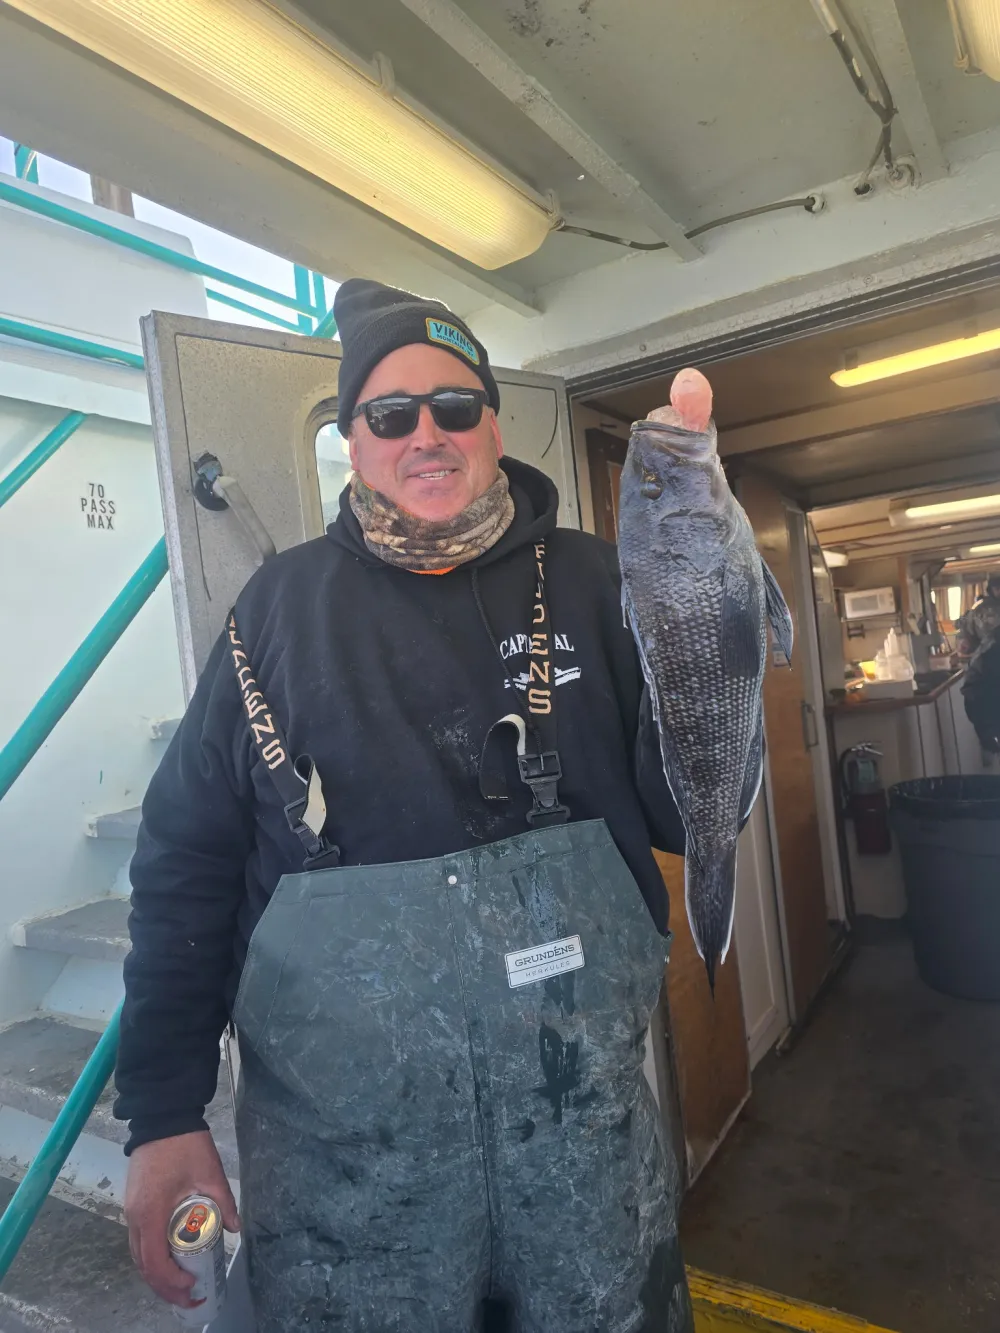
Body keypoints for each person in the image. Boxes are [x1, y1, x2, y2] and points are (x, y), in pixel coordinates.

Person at [115, 279, 693, 1332]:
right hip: (348, 1205)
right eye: (390, 414)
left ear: (492, 422)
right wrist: (161, 1115)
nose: (425, 433)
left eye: (454, 405)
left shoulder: (601, 584)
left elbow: (686, 817)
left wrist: (710, 625)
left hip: (587, 1175)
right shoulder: (277, 612)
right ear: (351, 436)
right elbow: (184, 867)